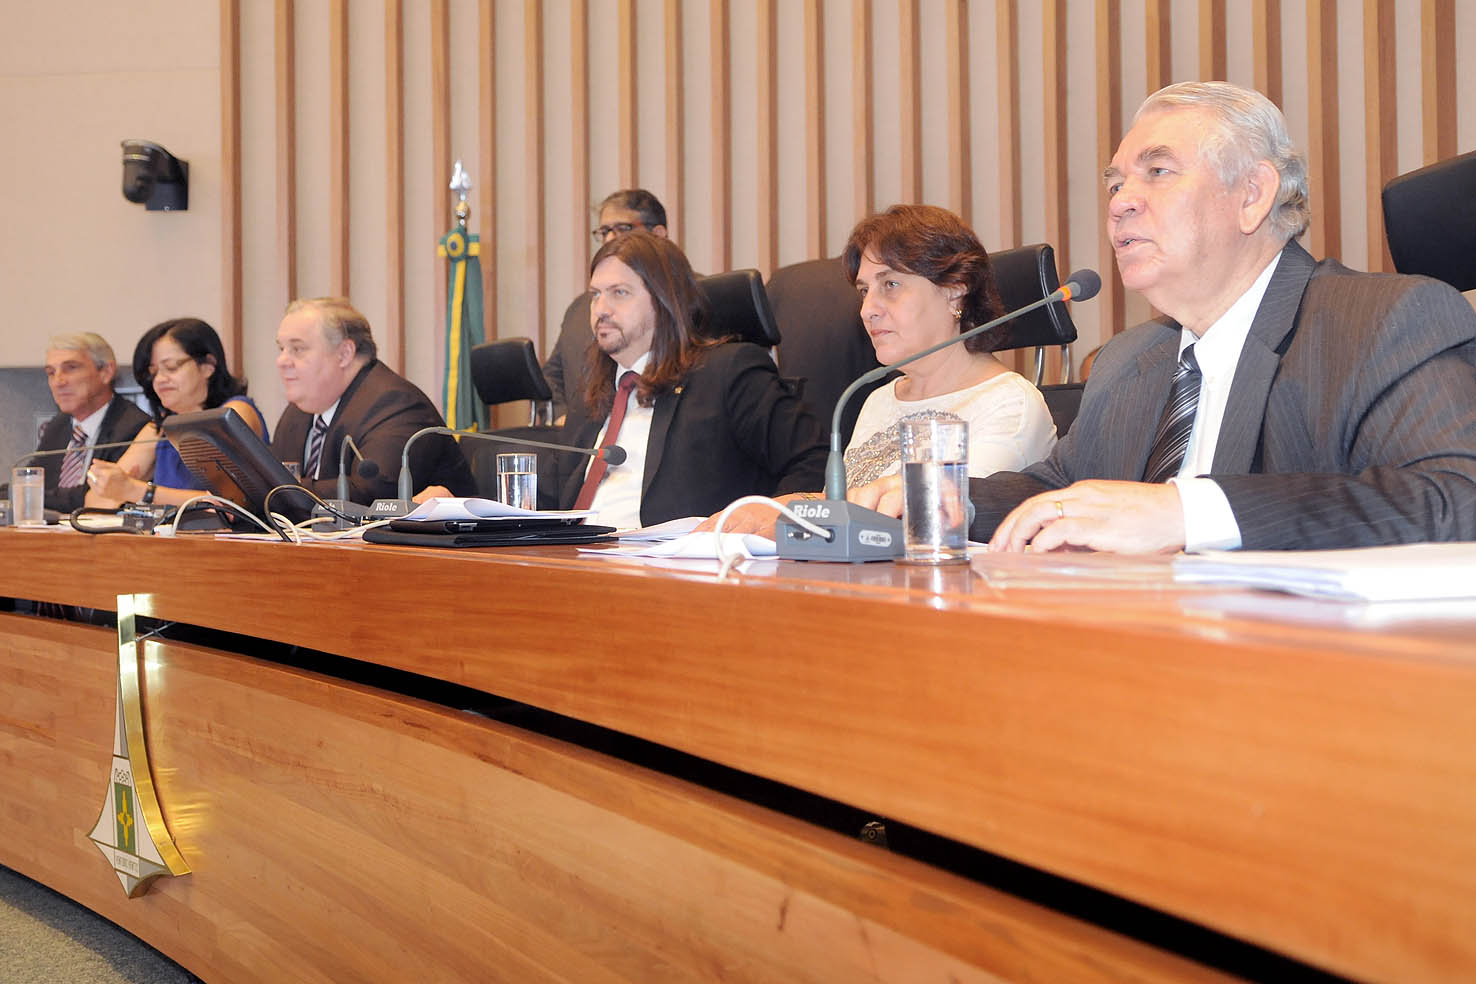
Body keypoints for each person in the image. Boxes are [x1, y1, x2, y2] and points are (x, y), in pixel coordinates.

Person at [854, 81, 1476, 552]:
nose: (1120, 203)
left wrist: (1185, 512)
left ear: (1252, 195)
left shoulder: (1383, 321)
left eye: (1157, 172)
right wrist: (942, 498)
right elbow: (1056, 488)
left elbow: (1454, 498)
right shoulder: (1130, 359)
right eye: (1115, 184)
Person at [703, 204, 1057, 535]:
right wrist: (775, 509)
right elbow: (840, 508)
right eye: (863, 291)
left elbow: (934, 517)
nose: (867, 309)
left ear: (954, 290)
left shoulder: (1009, 404)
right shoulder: (880, 399)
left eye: (890, 285)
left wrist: (787, 514)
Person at [549, 231, 826, 528]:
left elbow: (814, 460)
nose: (601, 309)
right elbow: (556, 499)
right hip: (572, 552)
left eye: (620, 293)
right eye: (595, 294)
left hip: (679, 553)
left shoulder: (727, 373)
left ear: (664, 300)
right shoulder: (591, 394)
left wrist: (765, 524)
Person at [272, 297, 473, 505]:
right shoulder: (299, 412)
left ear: (344, 354)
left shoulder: (396, 405)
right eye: (281, 349)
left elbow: (371, 494)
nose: (281, 361)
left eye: (298, 349)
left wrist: (276, 489)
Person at [86, 319, 267, 508]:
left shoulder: (234, 412)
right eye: (154, 372)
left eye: (171, 367)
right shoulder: (159, 428)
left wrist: (138, 491)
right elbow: (95, 499)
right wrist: (119, 486)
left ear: (208, 366)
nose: (159, 380)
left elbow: (230, 504)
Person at [543, 189, 673, 421]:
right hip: (588, 433)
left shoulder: (691, 299)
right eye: (604, 232)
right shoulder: (580, 309)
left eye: (623, 228)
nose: (610, 239)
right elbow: (553, 378)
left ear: (658, 234)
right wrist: (567, 420)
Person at [30, 333, 150, 512]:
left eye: (71, 368)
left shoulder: (134, 426)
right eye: (51, 372)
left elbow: (100, 496)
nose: (58, 381)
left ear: (106, 372)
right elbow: (28, 482)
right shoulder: (58, 426)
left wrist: (34, 495)